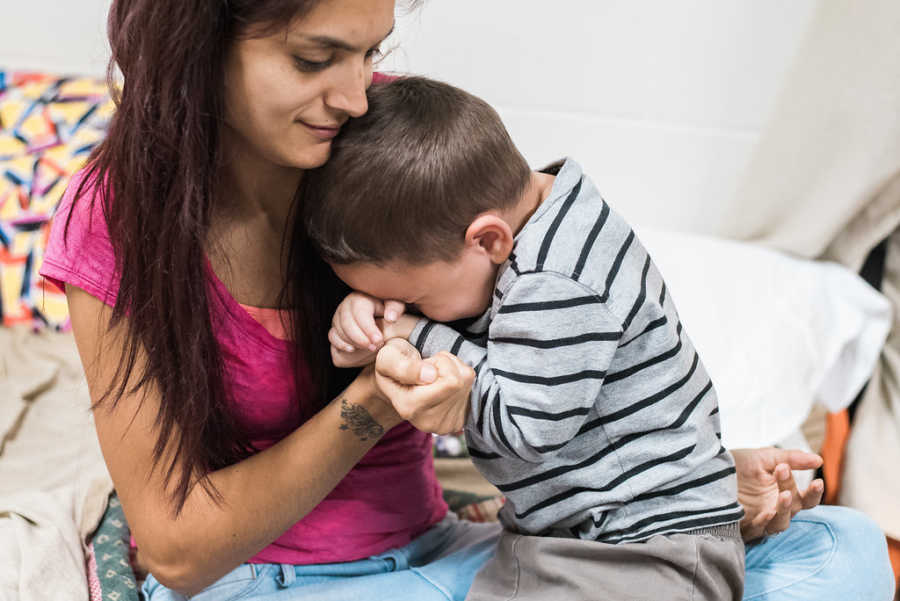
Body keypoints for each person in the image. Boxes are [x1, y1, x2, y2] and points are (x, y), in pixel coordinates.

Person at [38, 1, 894, 600]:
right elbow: (179, 549)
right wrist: (377, 396)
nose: (354, 94)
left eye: (369, 53)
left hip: (451, 552)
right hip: (284, 579)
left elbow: (531, 340)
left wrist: (673, 478)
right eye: (315, 59)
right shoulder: (116, 223)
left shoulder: (366, 154)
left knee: (846, 551)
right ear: (199, 44)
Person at [304, 76, 745, 600]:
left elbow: (526, 428)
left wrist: (414, 333)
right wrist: (373, 309)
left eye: (415, 297)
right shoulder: (543, 218)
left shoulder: (556, 281)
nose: (407, 311)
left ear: (489, 239)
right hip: (571, 535)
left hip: (646, 544)